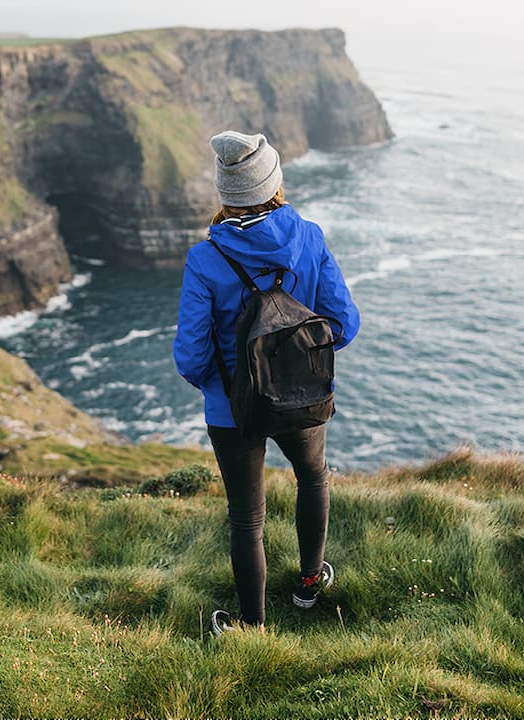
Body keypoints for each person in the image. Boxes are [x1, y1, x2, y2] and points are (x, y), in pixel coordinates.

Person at [173, 130, 361, 635]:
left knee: (246, 519)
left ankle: (252, 628)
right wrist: (296, 361)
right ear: (273, 182)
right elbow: (343, 323)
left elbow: (190, 356)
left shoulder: (205, 259)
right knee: (314, 476)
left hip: (232, 408)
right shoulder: (309, 236)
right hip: (300, 394)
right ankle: (308, 585)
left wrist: (226, 385)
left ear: (225, 193)